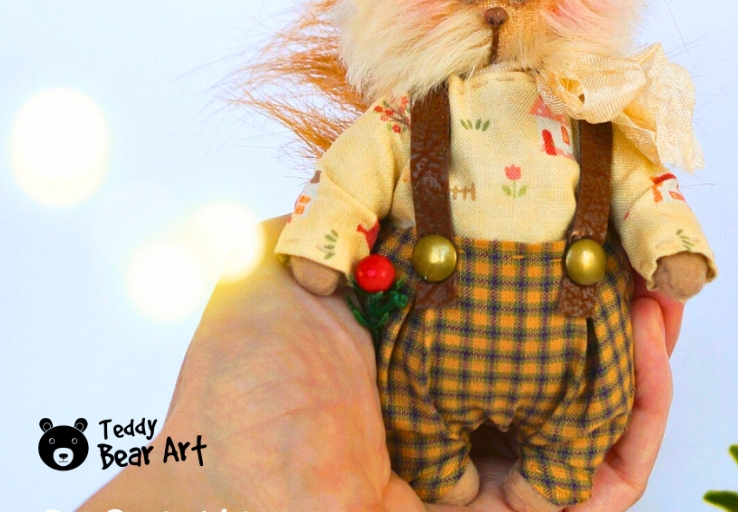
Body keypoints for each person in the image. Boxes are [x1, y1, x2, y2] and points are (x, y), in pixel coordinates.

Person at [77, 217, 683, 512]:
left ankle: (556, 466)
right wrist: (325, 239)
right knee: (415, 405)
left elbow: (645, 198)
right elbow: (351, 181)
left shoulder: (595, 117)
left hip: (555, 334)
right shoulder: (398, 119)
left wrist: (672, 241)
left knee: (597, 397)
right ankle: (437, 464)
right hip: (429, 350)